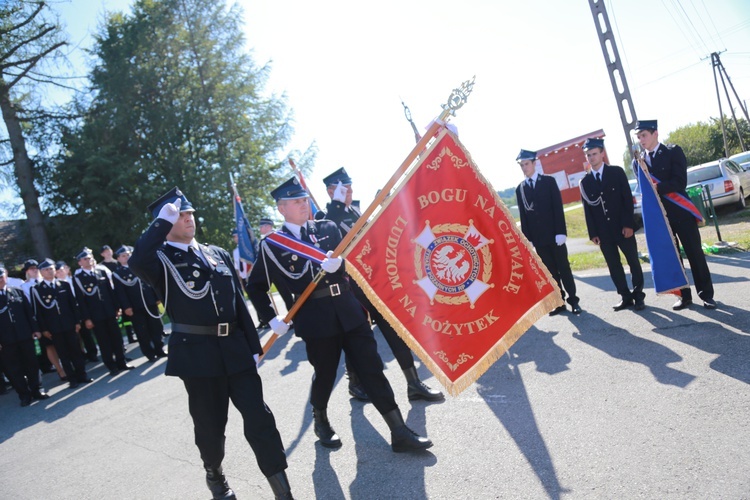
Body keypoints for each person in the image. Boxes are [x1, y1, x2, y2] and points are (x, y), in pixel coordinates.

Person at [247, 177, 433, 453]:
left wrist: (341, 263)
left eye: (303, 200)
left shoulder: (326, 227)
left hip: (348, 310)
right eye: (295, 202)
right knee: (325, 373)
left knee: (372, 369)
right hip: (314, 318)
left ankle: (398, 430)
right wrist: (271, 318)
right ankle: (320, 418)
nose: (302, 204)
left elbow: (354, 259)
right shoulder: (272, 245)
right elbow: (255, 286)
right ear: (281, 209)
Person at [128, 187, 292, 500]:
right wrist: (161, 223)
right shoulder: (160, 261)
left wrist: (253, 347)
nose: (189, 219)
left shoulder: (215, 253)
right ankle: (214, 472)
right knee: (211, 426)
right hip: (197, 355)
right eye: (180, 215)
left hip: (234, 349)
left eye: (190, 213)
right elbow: (137, 260)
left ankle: (283, 493)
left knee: (260, 418)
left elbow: (238, 304)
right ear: (165, 220)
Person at [320, 167, 443, 402]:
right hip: (351, 289)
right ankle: (355, 381)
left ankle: (414, 383)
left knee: (396, 331)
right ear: (330, 192)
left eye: (349, 186)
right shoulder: (325, 218)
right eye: (342, 189)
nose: (349, 192)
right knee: (357, 337)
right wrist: (335, 205)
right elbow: (332, 239)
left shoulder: (356, 211)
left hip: (374, 282)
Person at [632, 120, 716, 310]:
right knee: (673, 258)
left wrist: (656, 187)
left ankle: (706, 295)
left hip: (681, 213)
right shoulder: (638, 161)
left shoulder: (672, 151)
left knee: (695, 255)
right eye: (638, 137)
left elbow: (680, 182)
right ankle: (684, 296)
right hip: (661, 218)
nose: (641, 140)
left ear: (655, 134)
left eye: (644, 135)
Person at [580, 138, 646, 311]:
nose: (591, 157)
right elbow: (588, 210)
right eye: (588, 155)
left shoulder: (616, 172)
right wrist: (593, 233)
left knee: (633, 262)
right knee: (614, 266)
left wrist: (628, 225)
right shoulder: (585, 182)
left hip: (623, 228)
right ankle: (625, 296)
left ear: (602, 153)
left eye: (594, 154)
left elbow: (627, 201)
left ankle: (639, 295)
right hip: (603, 232)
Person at [515, 149, 582, 315]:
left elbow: (557, 208)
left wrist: (561, 231)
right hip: (538, 238)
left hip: (554, 235)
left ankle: (573, 300)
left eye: (526, 164)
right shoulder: (521, 188)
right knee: (550, 272)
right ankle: (559, 302)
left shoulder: (548, 182)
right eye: (521, 165)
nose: (524, 168)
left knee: (564, 268)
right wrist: (527, 239)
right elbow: (524, 217)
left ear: (534, 163)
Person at [32, 259, 93, 389]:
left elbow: (73, 305)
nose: (49, 271)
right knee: (63, 354)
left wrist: (77, 321)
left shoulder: (64, 285)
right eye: (46, 270)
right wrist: (44, 329)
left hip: (69, 324)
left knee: (76, 351)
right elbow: (39, 313)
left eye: (51, 269)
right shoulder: (37, 290)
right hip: (53, 328)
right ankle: (72, 379)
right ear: (41, 272)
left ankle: (82, 375)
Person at [73, 247, 133, 376]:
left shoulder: (101, 271)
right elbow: (81, 301)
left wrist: (117, 308)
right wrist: (87, 318)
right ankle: (111, 366)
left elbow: (111, 292)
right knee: (104, 341)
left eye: (89, 258)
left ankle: (121, 362)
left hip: (109, 311)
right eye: (85, 259)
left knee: (117, 338)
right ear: (80, 263)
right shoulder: (78, 278)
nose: (88, 260)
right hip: (95, 316)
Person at [0, 266, 50, 406]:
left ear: (6, 275)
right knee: (14, 369)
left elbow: (28, 312)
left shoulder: (17, 292)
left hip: (24, 335)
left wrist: (35, 329)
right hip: (6, 341)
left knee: (32, 364)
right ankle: (24, 394)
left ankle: (37, 390)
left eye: (1, 276)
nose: (0, 279)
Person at [112, 246, 167, 362]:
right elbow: (120, 293)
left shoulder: (139, 266)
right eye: (123, 256)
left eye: (128, 254)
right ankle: (149, 354)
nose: (126, 257)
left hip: (149, 301)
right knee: (142, 332)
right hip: (135, 306)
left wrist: (156, 297)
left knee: (156, 327)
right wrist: (126, 307)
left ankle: (159, 349)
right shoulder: (118, 274)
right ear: (118, 259)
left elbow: (150, 282)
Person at [22, 259, 64, 377]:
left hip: (53, 316)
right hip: (39, 318)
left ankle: (67, 366)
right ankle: (60, 369)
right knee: (49, 345)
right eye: (31, 269)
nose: (34, 271)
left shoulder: (46, 281)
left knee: (61, 343)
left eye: (36, 268)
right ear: (27, 272)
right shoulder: (24, 286)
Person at [57, 261, 98, 362]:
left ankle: (92, 353)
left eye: (62, 270)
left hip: (79, 307)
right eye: (58, 271)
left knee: (86, 332)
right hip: (68, 311)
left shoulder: (73, 280)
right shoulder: (57, 284)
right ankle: (81, 355)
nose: (60, 272)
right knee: (75, 335)